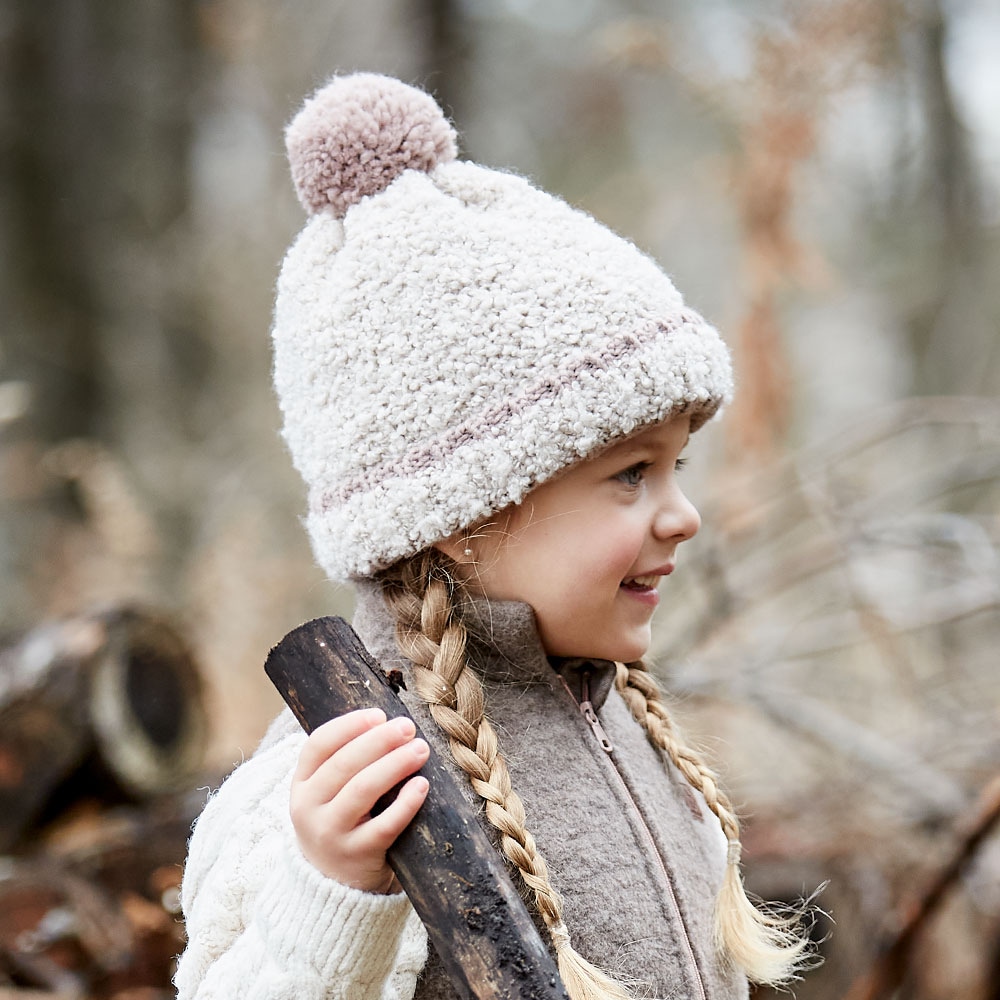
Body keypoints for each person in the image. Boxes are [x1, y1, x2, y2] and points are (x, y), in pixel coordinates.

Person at [175, 73, 812, 1000]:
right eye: (631, 474)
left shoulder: (625, 722)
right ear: (463, 519)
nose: (683, 514)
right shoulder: (339, 779)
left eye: (678, 466)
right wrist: (330, 895)